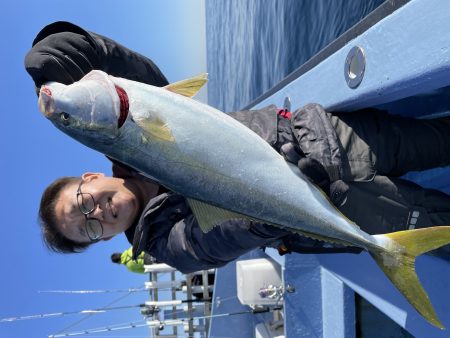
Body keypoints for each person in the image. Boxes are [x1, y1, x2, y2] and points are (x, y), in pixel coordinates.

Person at [27, 21, 450, 274]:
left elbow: (111, 61)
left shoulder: (132, 127)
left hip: (329, 139)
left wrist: (54, 56)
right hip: (341, 212)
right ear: (105, 239)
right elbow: (216, 240)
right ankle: (392, 253)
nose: (97, 213)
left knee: (442, 140)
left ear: (91, 177)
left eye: (82, 204)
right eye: (90, 228)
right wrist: (268, 213)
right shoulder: (167, 246)